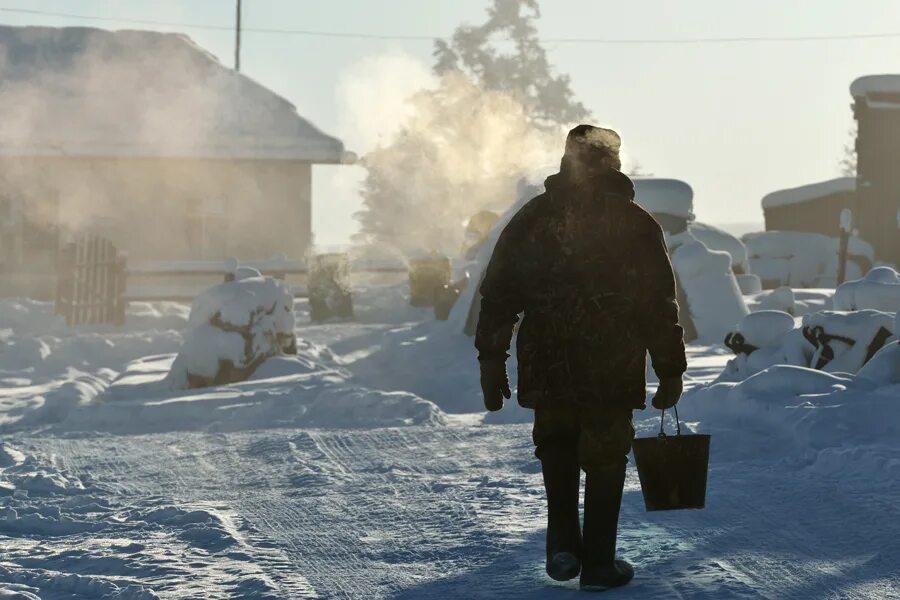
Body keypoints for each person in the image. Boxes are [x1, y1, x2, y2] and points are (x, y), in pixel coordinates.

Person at [475, 125, 687, 592]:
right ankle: (598, 566)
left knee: (557, 446)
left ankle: (563, 547)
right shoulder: (634, 223)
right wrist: (670, 367)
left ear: (567, 160)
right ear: (613, 162)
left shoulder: (534, 218)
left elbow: (498, 293)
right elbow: (657, 303)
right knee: (606, 457)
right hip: (611, 363)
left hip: (547, 360)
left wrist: (491, 358)